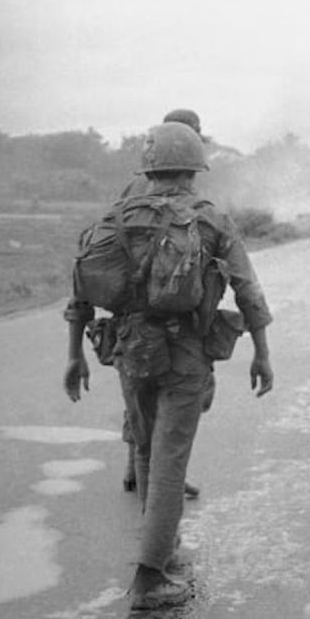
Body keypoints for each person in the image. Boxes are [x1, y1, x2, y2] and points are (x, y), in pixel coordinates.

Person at [64, 122, 276, 611]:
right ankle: (149, 578)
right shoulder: (209, 218)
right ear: (193, 169)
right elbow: (248, 288)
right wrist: (262, 352)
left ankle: (162, 548)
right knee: (170, 462)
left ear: (149, 168)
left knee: (145, 448)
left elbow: (80, 290)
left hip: (129, 350)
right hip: (184, 353)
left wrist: (75, 355)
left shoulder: (115, 216)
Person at [117, 108, 207, 498]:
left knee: (139, 392)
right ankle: (161, 474)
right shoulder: (180, 191)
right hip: (170, 315)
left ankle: (139, 464)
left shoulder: (134, 186)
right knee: (177, 402)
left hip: (132, 316)